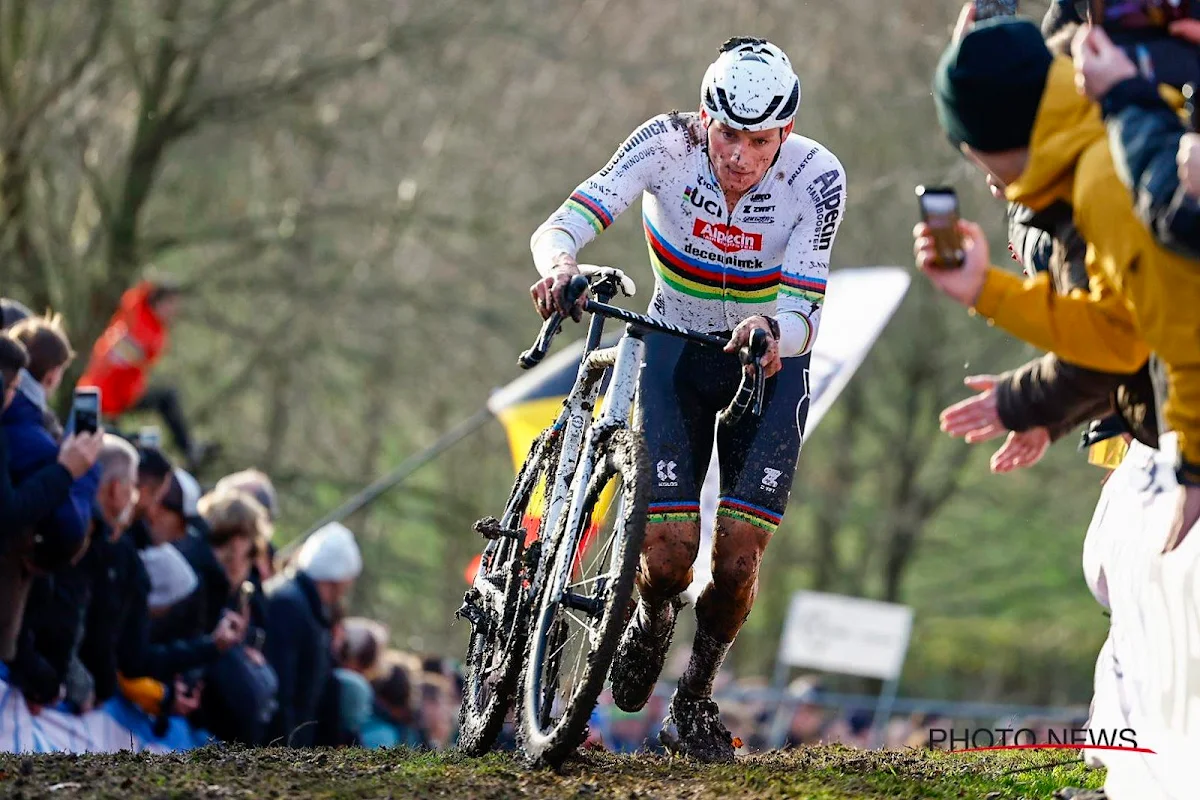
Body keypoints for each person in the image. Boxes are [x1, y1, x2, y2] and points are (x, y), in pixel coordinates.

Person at [528, 36, 847, 761]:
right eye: (727, 132)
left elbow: (807, 310)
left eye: (759, 140)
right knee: (670, 558)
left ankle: (696, 697)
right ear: (706, 116)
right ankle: (646, 617)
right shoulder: (664, 144)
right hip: (672, 345)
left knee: (736, 565)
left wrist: (772, 328)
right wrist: (561, 266)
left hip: (765, 360)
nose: (738, 154)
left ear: (785, 134)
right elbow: (566, 220)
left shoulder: (818, 178)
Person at [918, 15, 1200, 550]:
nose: (981, 172)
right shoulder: (1089, 146)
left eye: (969, 150)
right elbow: (1123, 331)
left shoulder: (1101, 176)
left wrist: (1194, 472)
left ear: (988, 138)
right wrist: (987, 290)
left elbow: (1179, 327)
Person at [77, 280, 214, 471]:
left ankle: (187, 448)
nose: (174, 311)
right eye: (171, 304)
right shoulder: (145, 326)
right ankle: (187, 449)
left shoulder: (143, 317)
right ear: (159, 302)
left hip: (117, 392)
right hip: (106, 393)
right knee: (166, 398)